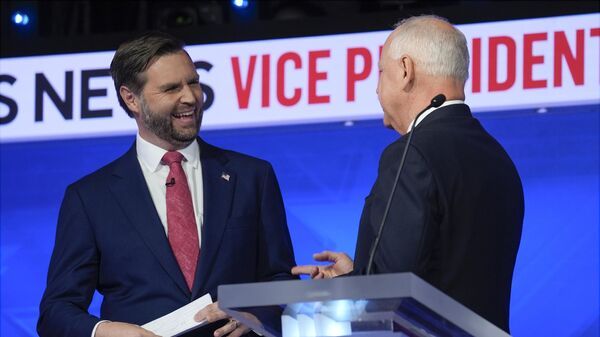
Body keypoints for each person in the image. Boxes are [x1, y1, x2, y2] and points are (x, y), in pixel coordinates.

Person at [38, 31, 297, 337]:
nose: (190, 97)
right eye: (172, 88)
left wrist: (255, 313)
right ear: (131, 98)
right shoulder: (90, 198)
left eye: (194, 82)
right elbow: (56, 311)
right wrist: (105, 331)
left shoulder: (253, 176)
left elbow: (281, 280)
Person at [292, 15, 524, 333]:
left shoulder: (412, 153)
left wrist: (351, 287)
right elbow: (444, 271)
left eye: (381, 73)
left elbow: (388, 293)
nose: (376, 89)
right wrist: (360, 274)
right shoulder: (498, 157)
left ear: (405, 70)